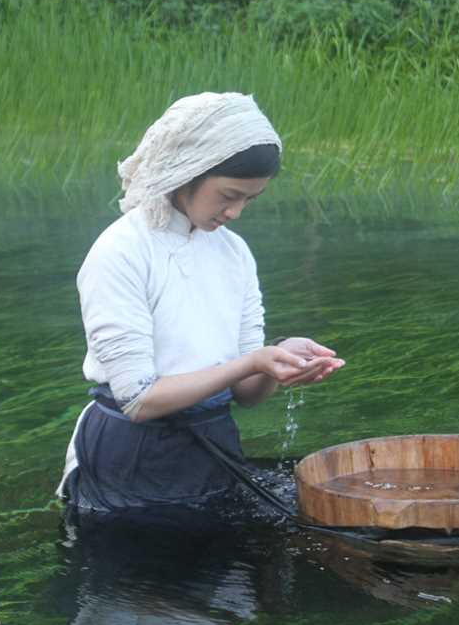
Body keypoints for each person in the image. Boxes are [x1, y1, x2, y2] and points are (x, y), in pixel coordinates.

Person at [55, 91, 344, 513]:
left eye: (250, 199)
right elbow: (138, 400)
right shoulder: (121, 251)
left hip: (211, 445)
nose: (236, 212)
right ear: (187, 172)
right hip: (131, 459)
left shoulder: (234, 254)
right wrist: (252, 362)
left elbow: (246, 393)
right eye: (228, 195)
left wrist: (277, 362)